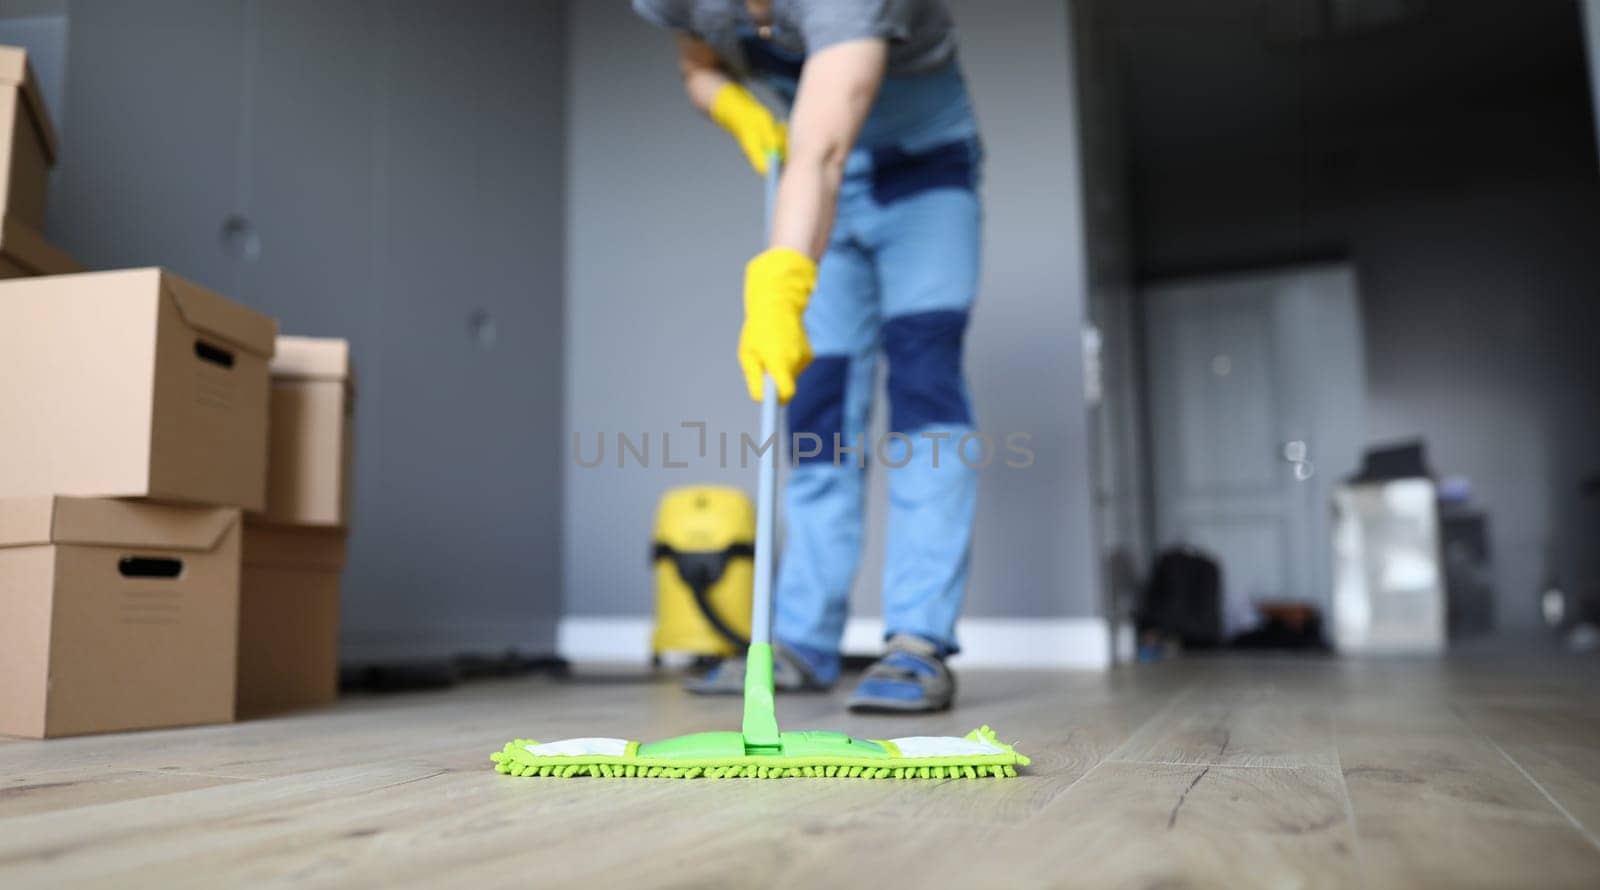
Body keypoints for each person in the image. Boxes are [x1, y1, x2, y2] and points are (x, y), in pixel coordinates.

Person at [634, 0, 981, 713]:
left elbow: (822, 153)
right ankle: (799, 641)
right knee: (817, 409)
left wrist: (781, 283)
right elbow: (697, 62)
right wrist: (731, 105)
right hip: (811, 178)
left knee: (925, 388)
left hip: (922, 174)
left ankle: (918, 642)